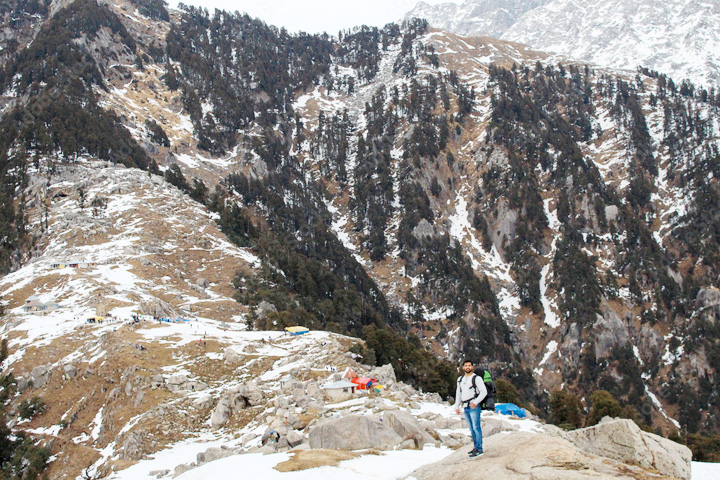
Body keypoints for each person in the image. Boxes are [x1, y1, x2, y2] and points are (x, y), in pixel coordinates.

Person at [454, 359, 487, 457]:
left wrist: (476, 402)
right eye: (466, 366)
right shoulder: (460, 379)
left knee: (476, 427)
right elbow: (458, 393)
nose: (467, 367)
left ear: (472, 367)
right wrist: (457, 406)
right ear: (463, 367)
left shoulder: (476, 378)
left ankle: (479, 448)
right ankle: (475, 447)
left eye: (469, 366)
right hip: (465, 406)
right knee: (472, 428)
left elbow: (483, 392)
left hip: (474, 406)